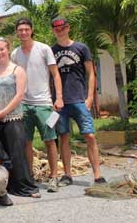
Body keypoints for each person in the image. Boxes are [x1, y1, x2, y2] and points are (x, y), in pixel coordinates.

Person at [51, 17, 106, 185]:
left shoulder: (81, 48)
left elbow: (91, 74)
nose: (60, 31)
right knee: (64, 137)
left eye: (63, 28)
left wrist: (89, 97)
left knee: (89, 135)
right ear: (54, 31)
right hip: (60, 102)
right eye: (57, 29)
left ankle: (97, 174)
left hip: (79, 99)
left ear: (68, 28)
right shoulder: (51, 51)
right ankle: (67, 174)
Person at [11, 18, 63, 192]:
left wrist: (59, 98)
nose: (23, 32)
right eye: (20, 30)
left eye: (26, 29)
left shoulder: (44, 49)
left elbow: (55, 74)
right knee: (26, 142)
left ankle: (54, 176)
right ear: (17, 33)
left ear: (31, 30)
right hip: (23, 105)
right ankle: (29, 177)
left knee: (49, 140)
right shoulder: (15, 54)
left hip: (44, 104)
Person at [0, 37, 40, 197]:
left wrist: (4, 112)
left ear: (8, 49)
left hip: (12, 118)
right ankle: (2, 185)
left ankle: (25, 187)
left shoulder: (17, 70)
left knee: (17, 153)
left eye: (2, 49)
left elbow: (19, 95)